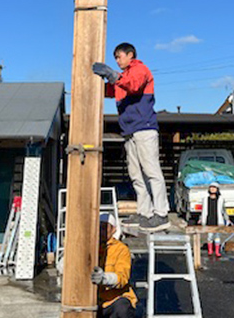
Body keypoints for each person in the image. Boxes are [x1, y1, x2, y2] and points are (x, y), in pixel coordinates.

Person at [93, 43, 170, 232]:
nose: (117, 61)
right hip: (129, 131)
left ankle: (162, 213)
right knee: (136, 175)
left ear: (130, 55)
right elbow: (110, 90)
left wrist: (111, 75)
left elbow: (133, 85)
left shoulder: (139, 70)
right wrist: (91, 82)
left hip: (144, 128)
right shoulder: (122, 79)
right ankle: (145, 212)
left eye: (119, 57)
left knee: (151, 171)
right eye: (116, 58)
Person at [91, 213, 136, 318]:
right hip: (94, 301)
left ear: (114, 230)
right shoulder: (90, 247)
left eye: (106, 227)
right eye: (100, 227)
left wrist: (105, 279)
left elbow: (123, 277)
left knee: (123, 309)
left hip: (114, 300)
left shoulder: (121, 250)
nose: (102, 230)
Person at [199, 182, 232, 257]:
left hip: (218, 220)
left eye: (214, 188)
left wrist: (227, 219)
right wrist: (201, 218)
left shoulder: (221, 199)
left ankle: (217, 251)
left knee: (217, 236)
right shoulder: (205, 199)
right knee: (210, 236)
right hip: (209, 220)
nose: (212, 189)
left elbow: (224, 210)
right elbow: (203, 210)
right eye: (211, 187)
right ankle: (210, 250)